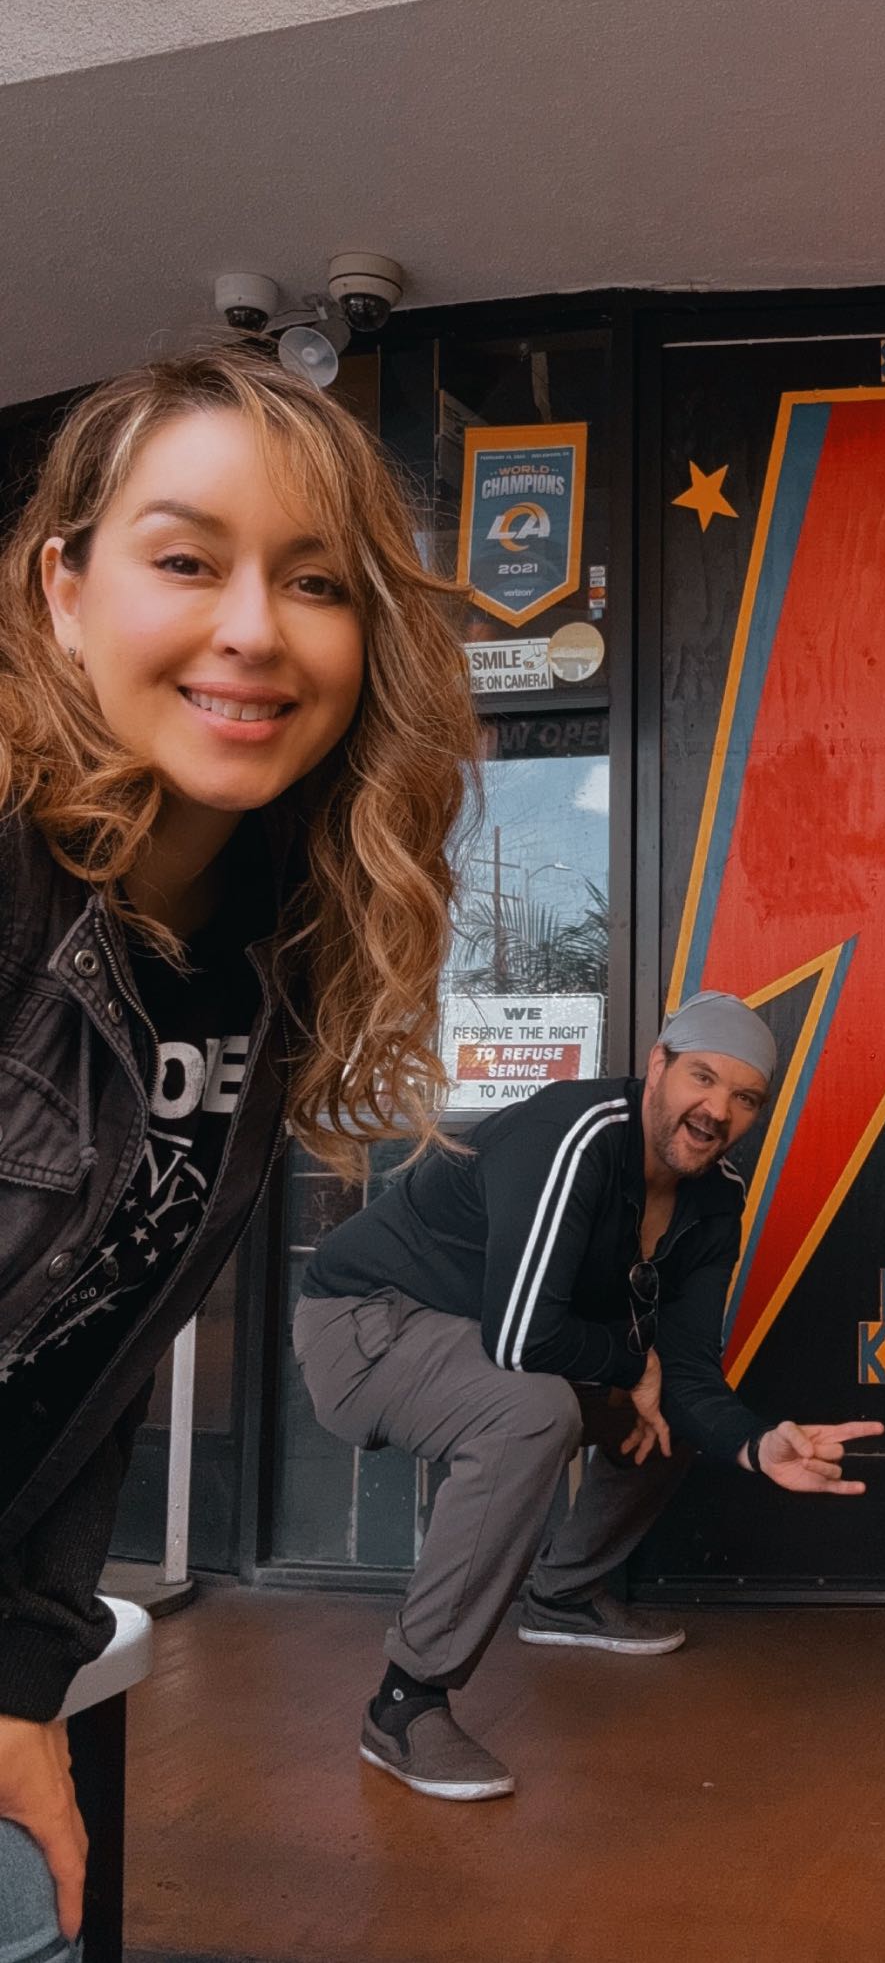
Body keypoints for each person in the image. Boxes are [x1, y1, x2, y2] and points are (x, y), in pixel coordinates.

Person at [0, 344, 479, 1957]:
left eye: (317, 581)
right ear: (66, 590)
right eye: (187, 560)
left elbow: (89, 1359)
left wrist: (23, 1670)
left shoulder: (264, 951)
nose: (256, 629)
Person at [294, 989, 884, 1801]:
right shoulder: (577, 1134)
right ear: (657, 1065)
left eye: (745, 1097)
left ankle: (564, 1593)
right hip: (367, 1324)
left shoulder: (715, 1196)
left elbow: (687, 1371)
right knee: (534, 1411)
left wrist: (755, 1442)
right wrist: (633, 1361)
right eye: (702, 1077)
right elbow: (522, 1339)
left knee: (668, 1410)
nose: (717, 1111)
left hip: (477, 1335)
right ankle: (404, 1702)